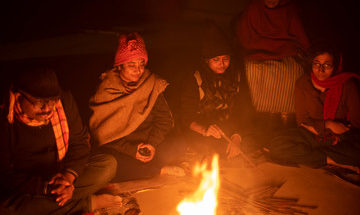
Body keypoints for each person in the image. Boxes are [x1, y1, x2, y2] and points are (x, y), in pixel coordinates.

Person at [0, 66, 120, 215]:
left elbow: (79, 142)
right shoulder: (5, 117)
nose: (47, 108)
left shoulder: (64, 102)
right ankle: (87, 202)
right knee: (4, 208)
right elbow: (4, 174)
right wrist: (46, 188)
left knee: (107, 165)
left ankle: (55, 203)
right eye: (39, 103)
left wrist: (68, 177)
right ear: (19, 98)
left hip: (62, 171)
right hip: (31, 184)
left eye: (51, 101)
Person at [89, 32, 186, 182]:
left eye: (141, 64)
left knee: (179, 144)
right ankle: (159, 169)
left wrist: (152, 144)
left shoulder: (150, 84)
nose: (138, 70)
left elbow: (164, 119)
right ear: (120, 66)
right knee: (112, 165)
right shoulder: (106, 89)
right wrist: (131, 150)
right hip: (122, 150)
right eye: (131, 65)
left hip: (150, 146)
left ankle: (148, 169)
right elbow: (103, 134)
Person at [268, 41, 360, 178]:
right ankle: (334, 161)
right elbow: (302, 122)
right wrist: (328, 124)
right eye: (316, 64)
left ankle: (312, 156)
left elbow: (356, 124)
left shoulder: (348, 85)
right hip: (312, 136)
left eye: (327, 65)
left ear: (336, 66)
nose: (320, 70)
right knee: (276, 144)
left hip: (341, 139)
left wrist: (326, 130)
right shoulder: (302, 83)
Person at [234, 0, 310, 129]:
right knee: (253, 70)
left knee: (293, 70)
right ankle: (261, 118)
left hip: (286, 51)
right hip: (257, 51)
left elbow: (301, 38)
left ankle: (286, 116)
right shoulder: (254, 7)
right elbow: (244, 36)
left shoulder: (289, 11)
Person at [180, 23, 258, 159]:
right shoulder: (195, 79)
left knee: (254, 139)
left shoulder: (236, 75)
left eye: (225, 59)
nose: (222, 64)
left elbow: (244, 108)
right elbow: (186, 115)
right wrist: (205, 129)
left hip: (231, 125)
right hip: (204, 128)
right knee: (206, 147)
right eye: (216, 60)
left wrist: (237, 136)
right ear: (206, 60)